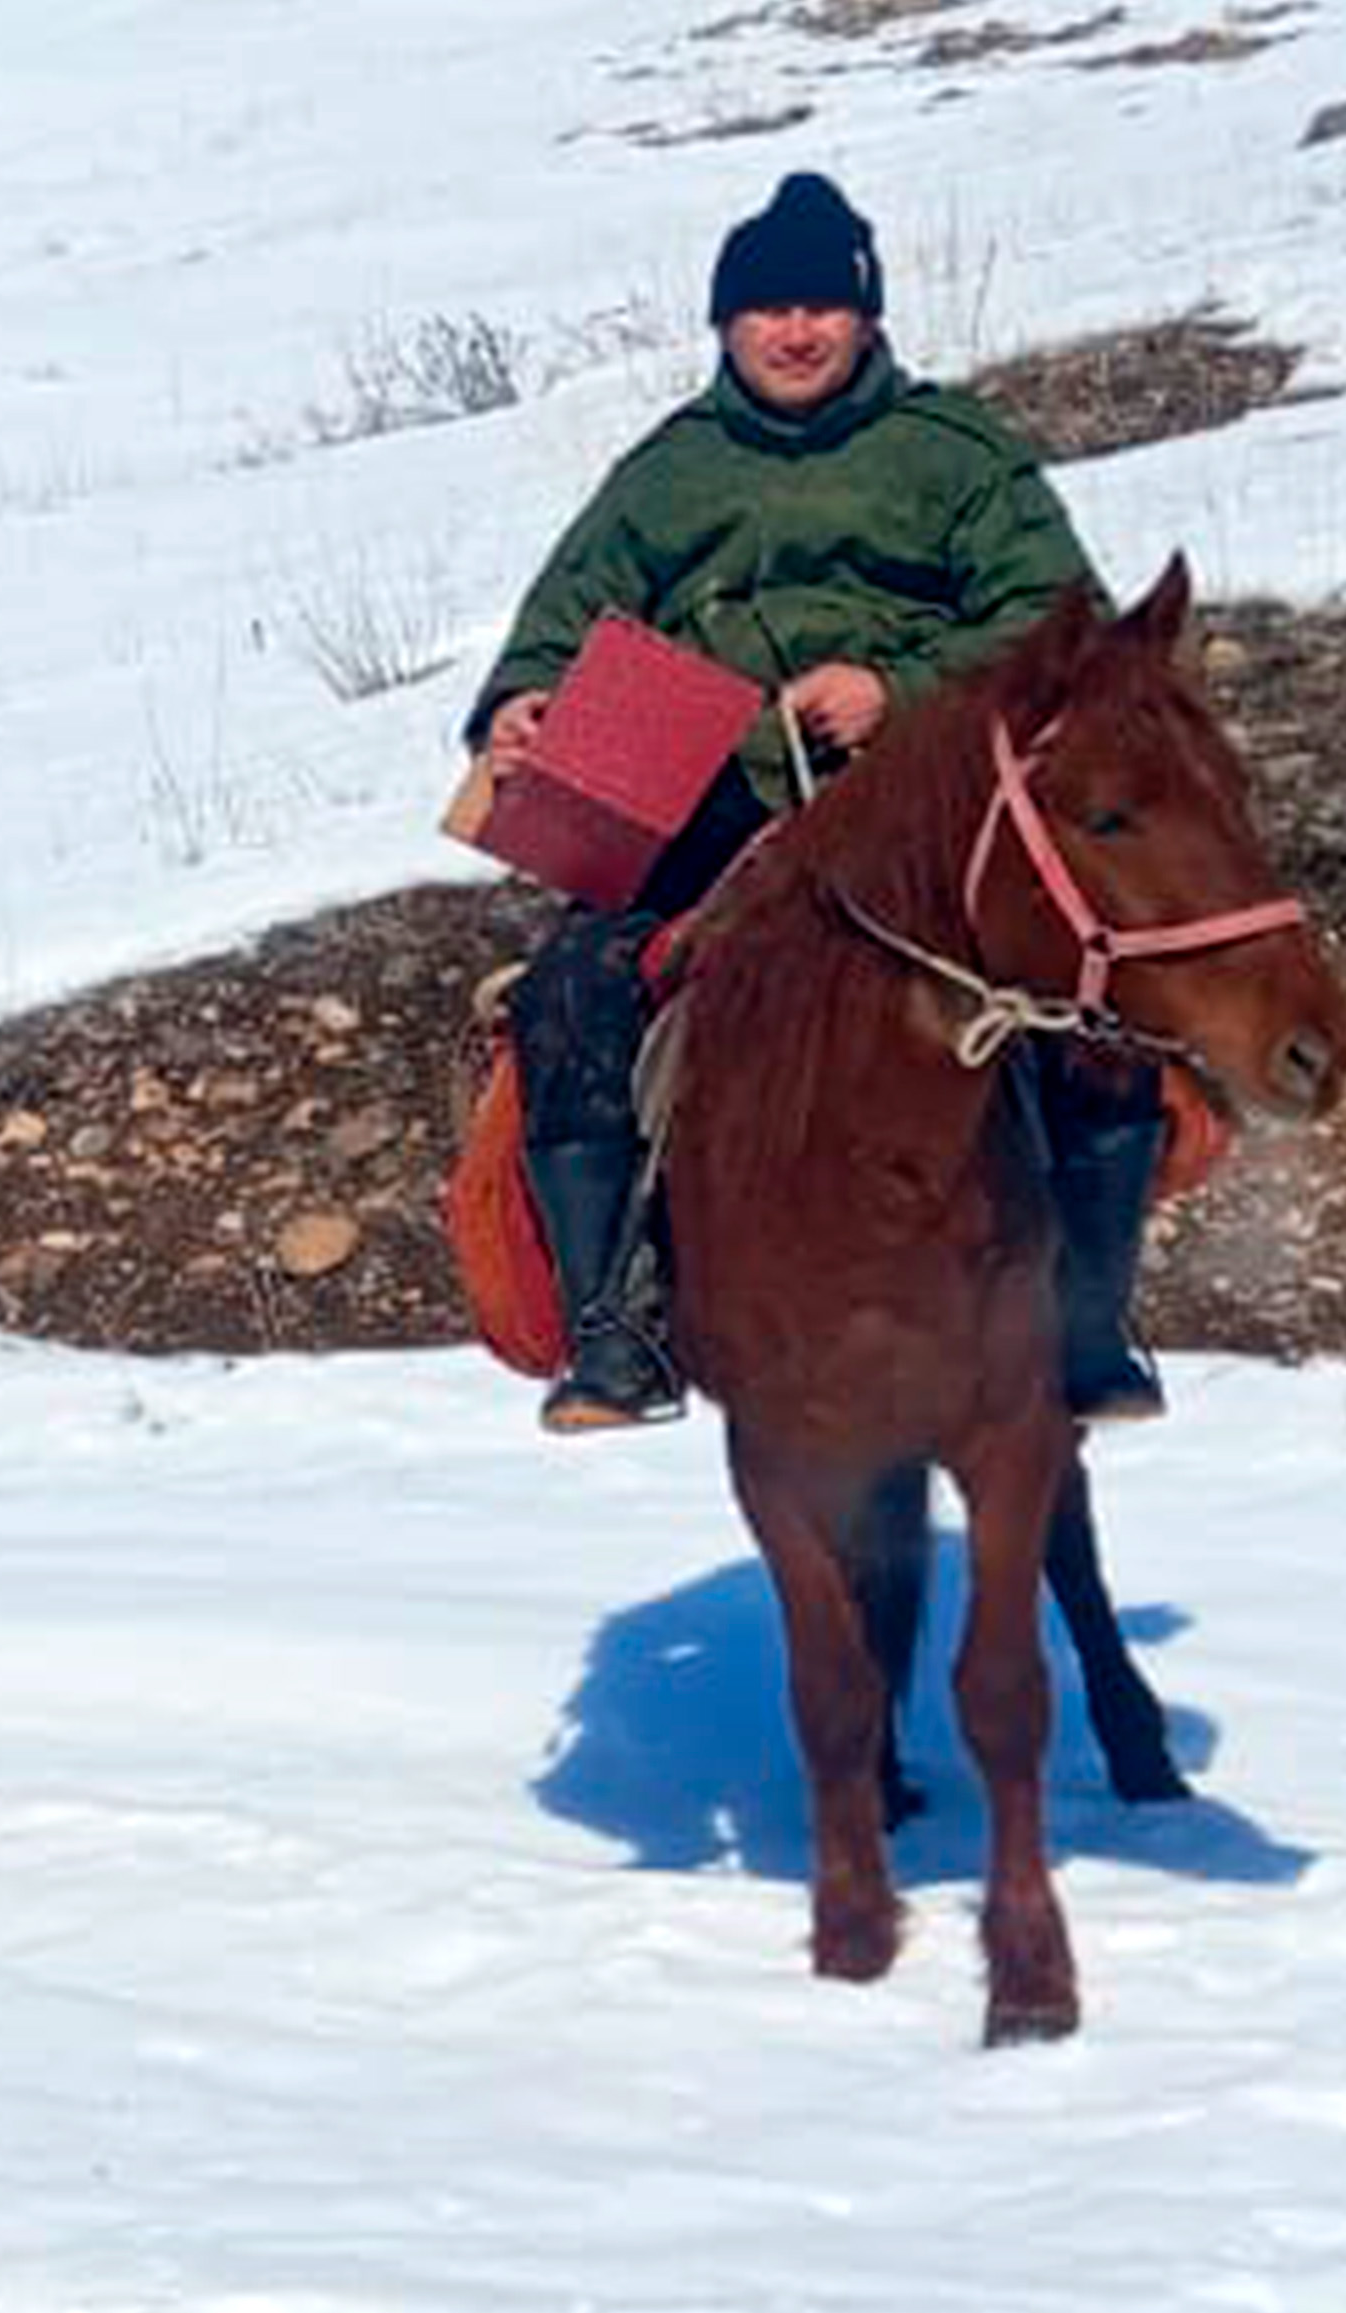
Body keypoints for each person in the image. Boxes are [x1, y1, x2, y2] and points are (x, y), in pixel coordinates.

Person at [458, 171, 1112, 1433]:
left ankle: (1076, 1310)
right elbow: (558, 624)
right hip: (701, 806)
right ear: (726, 323)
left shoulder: (955, 453)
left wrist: (899, 689)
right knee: (575, 990)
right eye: (767, 308)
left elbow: (1061, 622)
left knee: (1049, 981)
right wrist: (521, 705)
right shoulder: (667, 473)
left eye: (822, 304)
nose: (795, 330)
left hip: (919, 806)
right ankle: (616, 1327)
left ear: (866, 315)